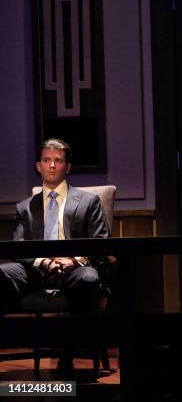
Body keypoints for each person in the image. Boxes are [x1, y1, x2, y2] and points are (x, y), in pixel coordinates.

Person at [0, 138, 110, 375]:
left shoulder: (89, 202)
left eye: (58, 161)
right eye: (46, 160)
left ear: (67, 167)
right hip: (36, 270)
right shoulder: (25, 207)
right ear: (38, 165)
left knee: (89, 279)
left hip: (74, 269)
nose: (51, 165)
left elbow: (101, 244)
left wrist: (72, 261)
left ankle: (67, 354)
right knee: (1, 274)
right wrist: (44, 261)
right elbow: (18, 247)